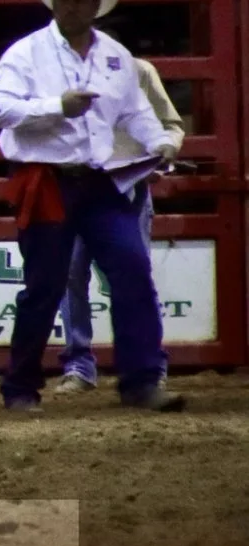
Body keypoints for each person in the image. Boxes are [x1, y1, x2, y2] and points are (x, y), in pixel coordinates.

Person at [0, 0, 184, 413]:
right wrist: (56, 107)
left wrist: (161, 141)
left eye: (79, 0)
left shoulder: (116, 56)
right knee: (45, 285)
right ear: (54, 3)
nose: (71, 7)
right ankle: (21, 386)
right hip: (49, 179)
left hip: (102, 180)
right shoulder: (25, 53)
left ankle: (142, 379)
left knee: (131, 270)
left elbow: (134, 113)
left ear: (95, 6)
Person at [54, 52, 183, 394]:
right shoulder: (52, 69)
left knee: (133, 275)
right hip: (76, 182)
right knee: (70, 273)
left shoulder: (138, 71)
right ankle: (80, 364)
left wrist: (164, 149)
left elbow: (170, 125)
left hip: (127, 183)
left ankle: (145, 366)